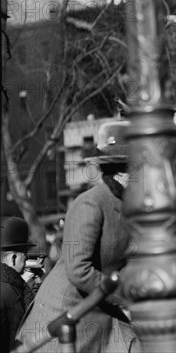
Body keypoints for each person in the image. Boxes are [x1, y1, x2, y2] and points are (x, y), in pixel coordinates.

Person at [17, 120, 139, 352]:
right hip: (66, 314)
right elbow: (78, 269)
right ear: (125, 169)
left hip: (99, 311)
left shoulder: (130, 206)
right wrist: (126, 297)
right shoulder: (90, 203)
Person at [1, 217, 36, 352]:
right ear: (13, 258)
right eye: (24, 253)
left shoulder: (13, 287)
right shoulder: (11, 292)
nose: (27, 257)